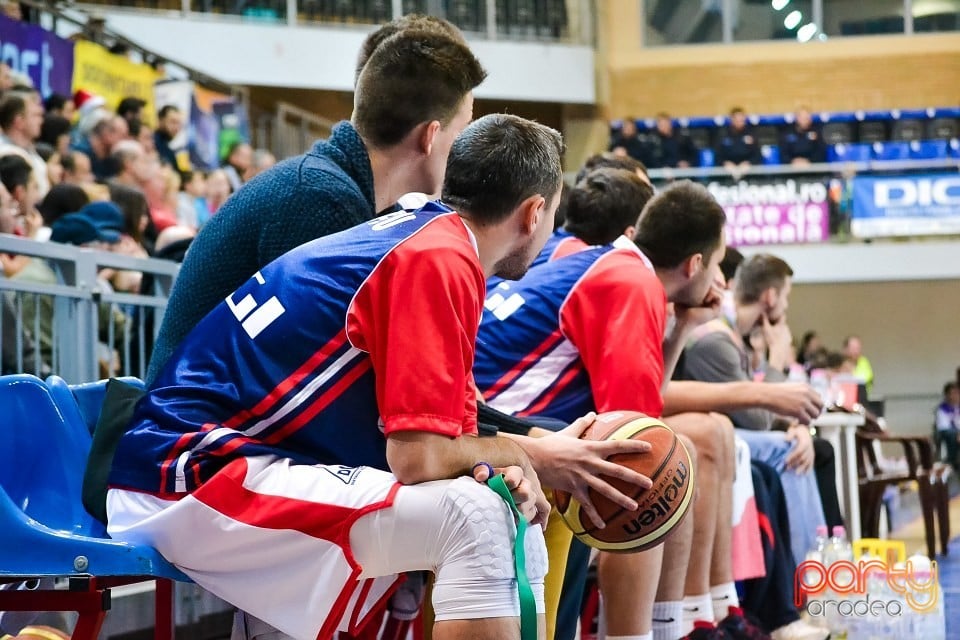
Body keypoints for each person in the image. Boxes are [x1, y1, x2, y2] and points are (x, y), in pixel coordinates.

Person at [106, 113, 563, 640]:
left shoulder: (425, 234)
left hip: (237, 457)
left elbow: (449, 445)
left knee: (505, 513)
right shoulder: (438, 257)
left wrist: (494, 461)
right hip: (188, 471)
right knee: (476, 520)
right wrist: (517, 453)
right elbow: (418, 458)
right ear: (532, 214)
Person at [146, 22, 487, 383]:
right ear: (430, 136)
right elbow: (324, 384)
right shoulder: (321, 200)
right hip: (189, 430)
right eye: (462, 130)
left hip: (207, 421)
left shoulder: (328, 187)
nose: (464, 148)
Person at [475, 176, 729, 640]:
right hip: (494, 425)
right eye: (718, 266)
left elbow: (642, 405)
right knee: (654, 469)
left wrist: (685, 325)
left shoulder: (610, 263)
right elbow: (638, 430)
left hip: (498, 414)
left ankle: (695, 621)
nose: (720, 281)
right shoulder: (633, 282)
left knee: (670, 451)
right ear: (695, 265)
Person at [936, 381, 960, 470]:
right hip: (950, 435)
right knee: (952, 435)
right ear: (946, 395)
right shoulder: (942, 409)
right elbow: (943, 427)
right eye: (951, 393)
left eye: (957, 393)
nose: (954, 396)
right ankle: (953, 462)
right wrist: (957, 433)